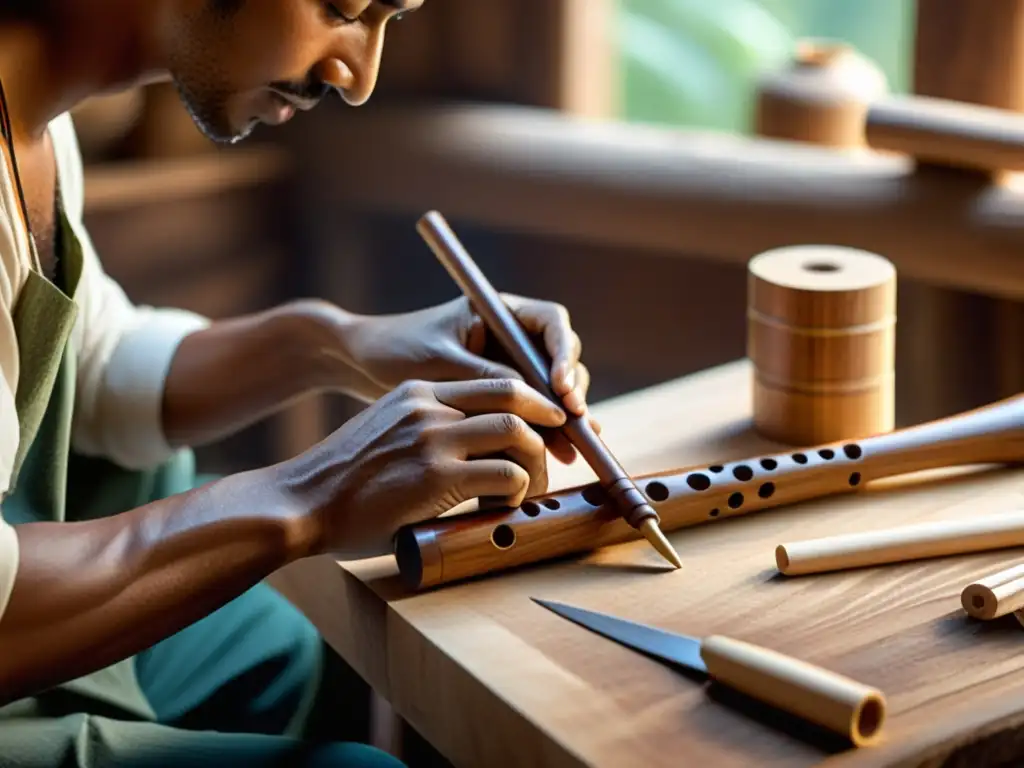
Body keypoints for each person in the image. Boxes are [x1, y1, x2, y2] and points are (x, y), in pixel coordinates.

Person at [0, 1, 598, 765]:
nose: (358, 77)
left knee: (299, 653)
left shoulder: (38, 114)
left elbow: (84, 366)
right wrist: (315, 493)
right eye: (344, 8)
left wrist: (342, 344)